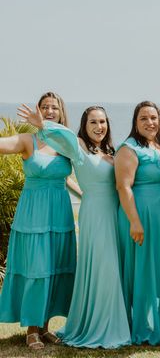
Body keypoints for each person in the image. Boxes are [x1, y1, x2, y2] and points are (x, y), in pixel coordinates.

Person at [21, 104, 131, 349]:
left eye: (102, 122)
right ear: (84, 125)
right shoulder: (78, 146)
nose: (99, 126)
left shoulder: (112, 152)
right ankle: (101, 327)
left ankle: (116, 319)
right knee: (105, 268)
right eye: (93, 122)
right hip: (95, 215)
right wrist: (44, 125)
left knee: (117, 266)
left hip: (116, 214)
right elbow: (66, 137)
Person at [0, 92, 81, 349]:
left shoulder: (65, 143)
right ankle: (32, 330)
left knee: (55, 267)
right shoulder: (27, 140)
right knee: (37, 268)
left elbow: (69, 174)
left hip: (60, 212)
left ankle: (45, 328)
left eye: (53, 107)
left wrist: (86, 194)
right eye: (44, 107)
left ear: (61, 112)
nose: (48, 111)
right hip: (33, 213)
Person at [115, 101, 160, 345]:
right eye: (143, 118)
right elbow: (123, 186)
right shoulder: (129, 148)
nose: (150, 122)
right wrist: (134, 221)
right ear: (135, 122)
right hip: (140, 216)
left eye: (154, 117)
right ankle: (142, 329)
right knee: (142, 269)